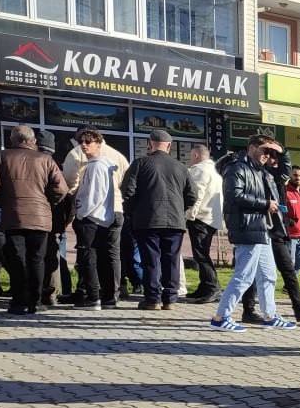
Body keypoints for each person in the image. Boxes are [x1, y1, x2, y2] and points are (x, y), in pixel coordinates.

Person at [210, 134, 296, 332]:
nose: (268, 155)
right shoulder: (238, 168)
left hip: (262, 228)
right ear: (252, 148)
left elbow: (284, 172)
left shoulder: (260, 170)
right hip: (246, 228)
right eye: (265, 150)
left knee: (268, 274)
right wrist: (265, 204)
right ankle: (221, 316)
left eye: (271, 153)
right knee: (244, 275)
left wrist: (282, 150)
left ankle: (270, 314)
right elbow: (235, 195)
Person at [0, 125, 68, 315]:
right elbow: (61, 189)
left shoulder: (1, 157)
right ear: (33, 141)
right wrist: (47, 202)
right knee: (37, 260)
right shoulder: (46, 160)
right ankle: (35, 302)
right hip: (40, 217)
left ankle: (18, 302)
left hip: (13, 217)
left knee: (17, 259)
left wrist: (3, 201)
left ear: (12, 140)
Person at [121, 129, 196, 310]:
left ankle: (152, 298)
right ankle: (170, 299)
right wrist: (179, 208)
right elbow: (192, 195)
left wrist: (132, 212)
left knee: (151, 261)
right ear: (169, 146)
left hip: (147, 221)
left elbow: (128, 192)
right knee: (171, 260)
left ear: (149, 144)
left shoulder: (140, 163)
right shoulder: (181, 167)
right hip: (174, 221)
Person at [239, 147, 300, 323]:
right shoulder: (255, 174)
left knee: (288, 270)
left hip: (277, 231)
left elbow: (285, 169)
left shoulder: (277, 178)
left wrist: (282, 150)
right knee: (250, 272)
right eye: (269, 157)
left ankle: (299, 309)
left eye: (275, 158)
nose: (273, 160)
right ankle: (248, 310)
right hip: (260, 229)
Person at [62, 125, 131, 299]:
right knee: (111, 253)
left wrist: (78, 211)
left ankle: (88, 291)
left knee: (89, 253)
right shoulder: (118, 156)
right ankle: (114, 291)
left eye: (87, 141)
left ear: (97, 142)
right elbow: (126, 180)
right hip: (115, 207)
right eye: (81, 141)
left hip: (94, 210)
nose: (83, 144)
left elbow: (69, 182)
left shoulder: (78, 155)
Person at [35, 129, 73, 308]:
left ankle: (33, 292)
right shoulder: (57, 166)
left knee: (35, 256)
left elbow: (62, 192)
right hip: (55, 220)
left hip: (37, 217)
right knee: (56, 257)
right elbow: (66, 195)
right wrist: (65, 219)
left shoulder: (35, 164)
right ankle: (53, 293)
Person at [184, 144, 225, 304]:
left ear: (195, 155)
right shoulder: (215, 170)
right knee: (202, 253)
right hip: (212, 217)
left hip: (201, 217)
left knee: (201, 255)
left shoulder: (200, 170)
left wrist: (190, 215)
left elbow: (196, 194)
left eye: (191, 155)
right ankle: (204, 287)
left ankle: (212, 287)